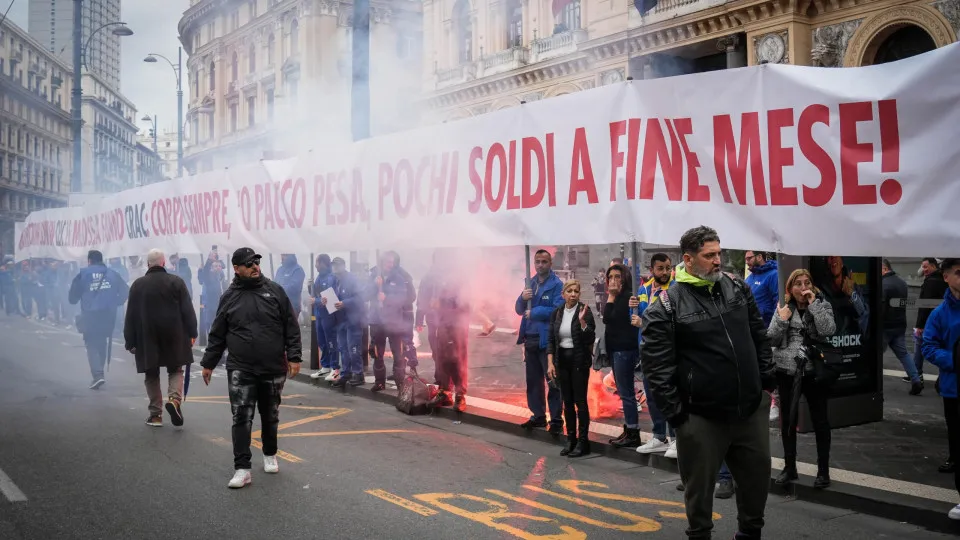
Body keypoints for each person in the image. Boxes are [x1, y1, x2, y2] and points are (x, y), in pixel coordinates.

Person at [642, 225, 775, 540]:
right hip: (701, 417)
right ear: (688, 259)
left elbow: (759, 336)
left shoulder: (737, 288)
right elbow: (657, 368)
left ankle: (749, 533)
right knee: (699, 495)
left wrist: (766, 383)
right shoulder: (666, 306)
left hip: (749, 409)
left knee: (756, 486)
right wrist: (678, 418)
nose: (718, 261)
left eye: (719, 253)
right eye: (709, 255)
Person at [200, 247, 302, 489]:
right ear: (237, 269)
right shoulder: (229, 297)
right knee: (241, 417)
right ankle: (242, 468)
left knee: (270, 414)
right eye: (249, 264)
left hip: (273, 366)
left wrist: (295, 356)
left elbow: (291, 325)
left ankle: (269, 453)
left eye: (257, 262)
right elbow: (218, 334)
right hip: (240, 367)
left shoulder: (275, 291)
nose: (255, 267)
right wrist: (208, 363)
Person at [768, 269, 836, 489]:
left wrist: (814, 305)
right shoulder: (783, 308)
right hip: (787, 372)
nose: (803, 287)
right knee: (788, 421)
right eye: (798, 283)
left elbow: (828, 330)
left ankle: (823, 471)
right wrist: (782, 321)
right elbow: (772, 338)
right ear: (790, 288)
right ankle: (789, 468)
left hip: (813, 372)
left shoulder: (822, 304)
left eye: (807, 282)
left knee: (821, 421)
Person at [124, 249, 198, 427]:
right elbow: (187, 310)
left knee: (151, 373)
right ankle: (174, 400)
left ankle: (155, 415)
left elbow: (131, 315)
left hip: (147, 336)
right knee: (175, 369)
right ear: (164, 263)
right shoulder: (176, 282)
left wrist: (130, 341)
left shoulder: (137, 285)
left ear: (148, 264)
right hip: (175, 334)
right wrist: (193, 332)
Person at [920, 258, 960, 520]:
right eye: (958, 273)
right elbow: (928, 346)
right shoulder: (940, 314)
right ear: (946, 277)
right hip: (954, 389)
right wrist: (954, 361)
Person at [632, 253, 678, 458]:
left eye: (668, 268)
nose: (665, 272)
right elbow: (636, 317)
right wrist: (631, 309)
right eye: (661, 268)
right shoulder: (643, 289)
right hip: (647, 350)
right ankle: (659, 437)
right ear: (652, 270)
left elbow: (672, 322)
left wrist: (644, 323)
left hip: (668, 351)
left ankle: (676, 439)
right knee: (651, 396)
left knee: (669, 396)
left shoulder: (676, 289)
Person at [515, 249, 565, 434]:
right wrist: (522, 298)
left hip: (547, 341)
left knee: (552, 380)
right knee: (533, 381)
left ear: (550, 263)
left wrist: (535, 312)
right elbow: (519, 309)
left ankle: (557, 420)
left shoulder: (557, 285)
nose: (540, 265)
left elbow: (558, 309)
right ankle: (538, 416)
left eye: (544, 261)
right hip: (530, 339)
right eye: (537, 261)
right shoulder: (530, 283)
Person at [546, 279, 596, 457]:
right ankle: (571, 439)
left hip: (579, 361)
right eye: (570, 291)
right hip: (562, 362)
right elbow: (551, 340)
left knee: (580, 401)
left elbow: (590, 336)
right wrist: (550, 363)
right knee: (566, 401)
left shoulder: (585, 311)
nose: (573, 294)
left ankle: (583, 442)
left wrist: (582, 323)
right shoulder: (557, 313)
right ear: (563, 294)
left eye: (576, 291)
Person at [68, 250, 129, 390]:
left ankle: (98, 375)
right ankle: (99, 372)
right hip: (109, 315)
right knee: (102, 341)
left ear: (89, 261)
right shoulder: (112, 274)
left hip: (90, 314)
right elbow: (126, 290)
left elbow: (72, 299)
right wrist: (116, 302)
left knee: (91, 343)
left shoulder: (83, 274)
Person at [368, 251, 418, 392]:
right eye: (387, 262)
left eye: (392, 262)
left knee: (398, 353)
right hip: (377, 321)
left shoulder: (400, 278)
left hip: (394, 321)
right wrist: (374, 285)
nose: (389, 264)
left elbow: (402, 298)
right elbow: (365, 294)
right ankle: (379, 382)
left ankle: (399, 382)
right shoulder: (373, 275)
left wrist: (387, 299)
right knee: (377, 353)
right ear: (382, 262)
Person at [605, 263, 642, 448]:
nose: (613, 281)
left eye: (617, 277)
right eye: (610, 277)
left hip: (624, 350)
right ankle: (628, 429)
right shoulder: (617, 297)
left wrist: (611, 296)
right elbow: (606, 317)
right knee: (622, 390)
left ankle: (633, 432)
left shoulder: (627, 297)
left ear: (625, 278)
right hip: (615, 349)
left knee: (627, 392)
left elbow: (611, 318)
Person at [429, 251, 472, 411]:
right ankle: (444, 391)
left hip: (457, 327)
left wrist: (442, 304)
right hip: (442, 324)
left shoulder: (460, 280)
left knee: (457, 359)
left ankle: (460, 395)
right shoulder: (439, 280)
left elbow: (465, 305)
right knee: (441, 359)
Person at [881, 259, 923, 395]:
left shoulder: (883, 284)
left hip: (885, 327)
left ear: (884, 268)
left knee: (875, 355)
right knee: (904, 354)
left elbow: (881, 308)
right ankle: (916, 379)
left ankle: (871, 386)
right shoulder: (902, 283)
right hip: (899, 325)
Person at [330, 257, 367, 387]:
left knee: (354, 348)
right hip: (340, 320)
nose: (334, 267)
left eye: (337, 265)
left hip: (353, 319)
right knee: (343, 348)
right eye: (333, 265)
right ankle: (346, 373)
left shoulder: (352, 279)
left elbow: (360, 298)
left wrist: (344, 303)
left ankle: (358, 374)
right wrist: (325, 301)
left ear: (343, 266)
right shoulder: (334, 280)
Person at [916, 258, 948, 384]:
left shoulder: (931, 282)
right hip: (942, 321)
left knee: (921, 346)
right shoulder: (943, 279)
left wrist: (920, 325)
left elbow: (925, 305)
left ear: (934, 266)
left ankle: (916, 374)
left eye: (925, 267)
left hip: (930, 322)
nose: (923, 270)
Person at [308, 254, 340, 380]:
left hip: (328, 315)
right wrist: (310, 287)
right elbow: (317, 295)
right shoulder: (319, 277)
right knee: (322, 341)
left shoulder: (331, 277)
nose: (315, 265)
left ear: (322, 263)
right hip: (319, 314)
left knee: (331, 340)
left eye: (317, 263)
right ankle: (325, 366)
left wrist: (315, 301)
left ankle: (335, 367)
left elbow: (327, 299)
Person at [198, 251, 228, 341]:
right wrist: (209, 260)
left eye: (219, 266)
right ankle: (210, 342)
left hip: (219, 304)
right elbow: (206, 272)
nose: (218, 268)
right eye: (215, 266)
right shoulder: (209, 277)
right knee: (209, 324)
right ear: (211, 268)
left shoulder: (219, 276)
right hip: (209, 305)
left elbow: (223, 268)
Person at [745, 251, 779, 327]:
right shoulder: (748, 279)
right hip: (751, 326)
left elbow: (778, 302)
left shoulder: (773, 275)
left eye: (749, 258)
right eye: (746, 259)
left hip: (766, 326)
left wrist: (774, 327)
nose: (747, 262)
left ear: (759, 257)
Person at [275, 254, 306, 321]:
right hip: (279, 305)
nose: (281, 257)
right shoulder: (280, 269)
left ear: (289, 256)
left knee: (291, 329)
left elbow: (294, 288)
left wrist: (279, 288)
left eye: (283, 255)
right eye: (281, 255)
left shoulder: (297, 269)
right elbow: (274, 284)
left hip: (292, 306)